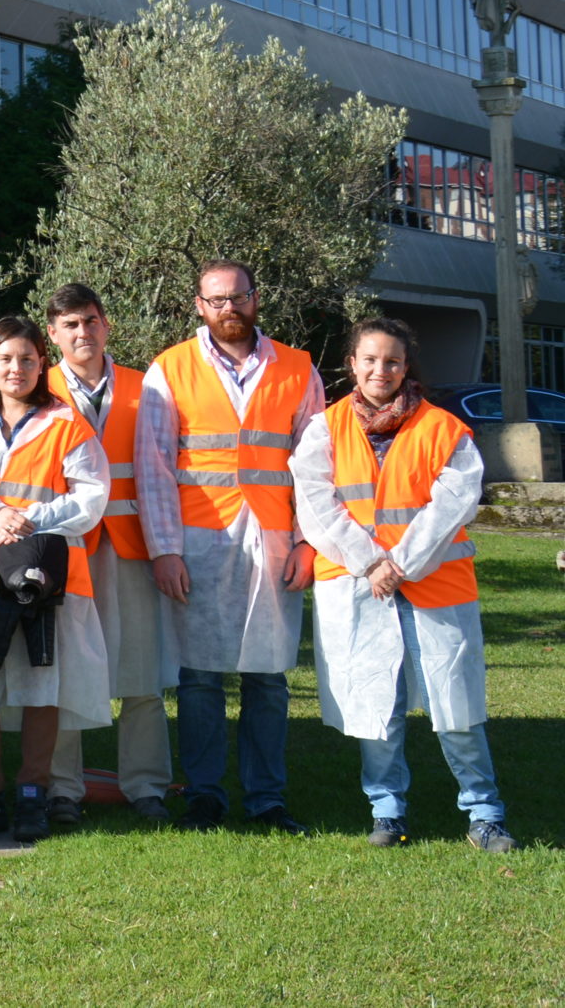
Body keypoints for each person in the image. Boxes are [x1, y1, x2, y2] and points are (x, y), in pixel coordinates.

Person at [292, 318, 513, 852]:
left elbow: (454, 503)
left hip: (434, 586)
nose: (380, 370)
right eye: (369, 360)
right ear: (352, 365)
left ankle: (485, 813)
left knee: (456, 708)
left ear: (405, 366)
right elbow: (317, 506)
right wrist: (371, 563)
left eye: (391, 361)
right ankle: (387, 811)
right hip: (360, 586)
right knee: (377, 706)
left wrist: (401, 564)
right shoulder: (324, 429)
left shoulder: (443, 429)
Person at [135, 259, 322, 834]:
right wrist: (164, 548)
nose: (228, 309)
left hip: (272, 538)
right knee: (199, 678)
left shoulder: (295, 367)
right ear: (198, 305)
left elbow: (318, 467)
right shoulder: (169, 369)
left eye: (238, 297)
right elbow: (153, 467)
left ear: (256, 298)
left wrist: (309, 542)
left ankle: (267, 799)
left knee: (268, 677)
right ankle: (205, 795)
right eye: (216, 300)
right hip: (198, 538)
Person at [0, 316, 110, 842]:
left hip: (45, 578)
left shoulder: (66, 423)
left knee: (41, 683)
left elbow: (92, 495)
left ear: (42, 364)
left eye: (28, 359)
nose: (17, 368)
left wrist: (30, 518)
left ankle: (33, 792)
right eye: (6, 358)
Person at [44, 284, 173, 827]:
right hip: (64, 550)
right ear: (52, 334)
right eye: (70, 324)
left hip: (130, 545)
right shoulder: (36, 384)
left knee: (142, 673)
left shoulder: (148, 390)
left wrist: (167, 548)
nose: (82, 332)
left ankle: (146, 786)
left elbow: (162, 475)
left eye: (90, 321)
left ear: (107, 326)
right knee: (63, 669)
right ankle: (60, 789)